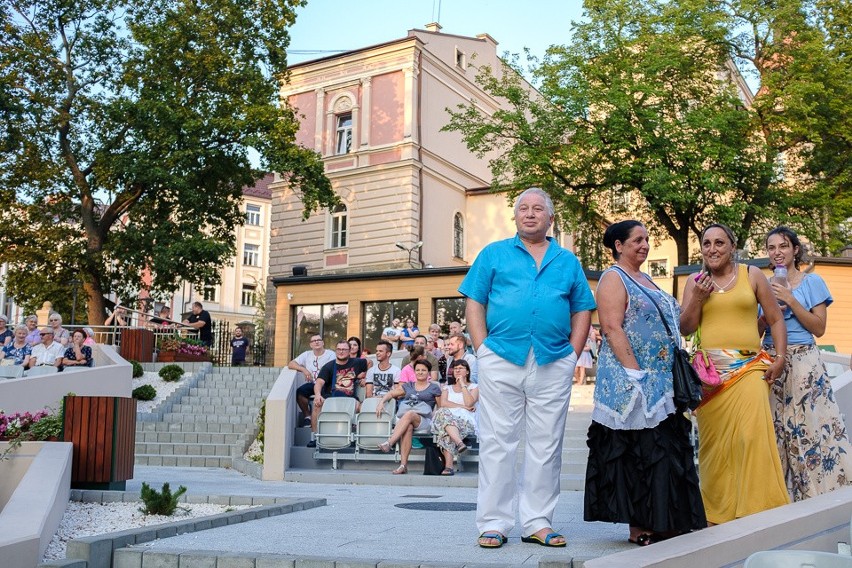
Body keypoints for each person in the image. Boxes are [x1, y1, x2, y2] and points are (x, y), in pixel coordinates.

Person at [459, 187, 595, 549]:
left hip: (552, 359)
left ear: (550, 219)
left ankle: (537, 521)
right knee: (496, 442)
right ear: (515, 216)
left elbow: (582, 308)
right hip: (501, 356)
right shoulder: (493, 254)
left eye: (538, 209)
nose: (530, 214)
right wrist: (482, 349)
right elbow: (475, 302)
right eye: (523, 208)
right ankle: (495, 522)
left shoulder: (567, 261)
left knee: (546, 444)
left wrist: (572, 354)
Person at [583, 221, 706, 546]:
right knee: (639, 453)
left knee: (663, 451)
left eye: (647, 239)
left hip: (663, 382)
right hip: (632, 384)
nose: (645, 245)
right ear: (619, 245)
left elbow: (679, 323)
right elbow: (612, 327)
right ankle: (640, 527)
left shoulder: (648, 279)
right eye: (637, 240)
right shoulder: (613, 277)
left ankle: (666, 520)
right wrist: (635, 373)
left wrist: (695, 296)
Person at [680, 223, 789, 524]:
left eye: (719, 242)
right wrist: (698, 298)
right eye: (706, 243)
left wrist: (780, 357)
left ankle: (759, 511)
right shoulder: (695, 281)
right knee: (714, 447)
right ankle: (717, 514)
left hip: (751, 368)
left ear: (732, 246)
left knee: (751, 436)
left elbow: (776, 319)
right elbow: (685, 327)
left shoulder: (752, 275)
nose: (712, 249)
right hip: (711, 377)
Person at [761, 226, 852, 501]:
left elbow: (819, 327)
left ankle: (819, 495)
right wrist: (769, 314)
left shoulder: (812, 282)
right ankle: (780, 497)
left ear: (795, 250)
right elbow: (757, 332)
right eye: (772, 248)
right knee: (776, 428)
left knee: (811, 426)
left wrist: (790, 300)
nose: (777, 253)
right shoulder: (761, 284)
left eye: (783, 246)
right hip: (771, 360)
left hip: (804, 361)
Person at [376, 359, 443, 474]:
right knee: (408, 427)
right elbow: (392, 393)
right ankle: (403, 466)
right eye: (417, 370)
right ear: (414, 372)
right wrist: (382, 402)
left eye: (423, 370)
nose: (420, 372)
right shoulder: (409, 386)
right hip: (408, 421)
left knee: (410, 414)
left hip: (425, 421)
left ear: (428, 373)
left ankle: (389, 442)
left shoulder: (434, 387)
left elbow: (440, 406)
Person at [308, 340, 368, 448]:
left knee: (364, 407)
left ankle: (357, 438)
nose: (341, 352)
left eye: (344, 349)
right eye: (339, 349)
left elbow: (369, 363)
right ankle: (315, 437)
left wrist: (365, 376)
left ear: (349, 351)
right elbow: (319, 383)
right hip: (332, 398)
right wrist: (317, 395)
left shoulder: (357, 362)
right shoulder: (329, 366)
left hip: (350, 398)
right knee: (317, 404)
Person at [432, 359, 479, 476]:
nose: (457, 370)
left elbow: (469, 403)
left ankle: (449, 467)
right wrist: (462, 406)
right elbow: (443, 403)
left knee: (446, 429)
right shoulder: (447, 388)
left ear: (467, 371)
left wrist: (463, 384)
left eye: (461, 368)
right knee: (443, 414)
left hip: (465, 421)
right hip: (447, 418)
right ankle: (459, 443)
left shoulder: (474, 387)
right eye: (455, 368)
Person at [288, 334, 335, 427]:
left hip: (327, 384)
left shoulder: (330, 354)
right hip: (313, 383)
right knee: (300, 392)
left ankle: (324, 419)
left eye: (319, 340)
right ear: (311, 345)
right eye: (314, 341)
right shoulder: (306, 354)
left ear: (323, 343)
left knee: (326, 395)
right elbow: (291, 364)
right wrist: (303, 369)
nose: (316, 342)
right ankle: (308, 416)